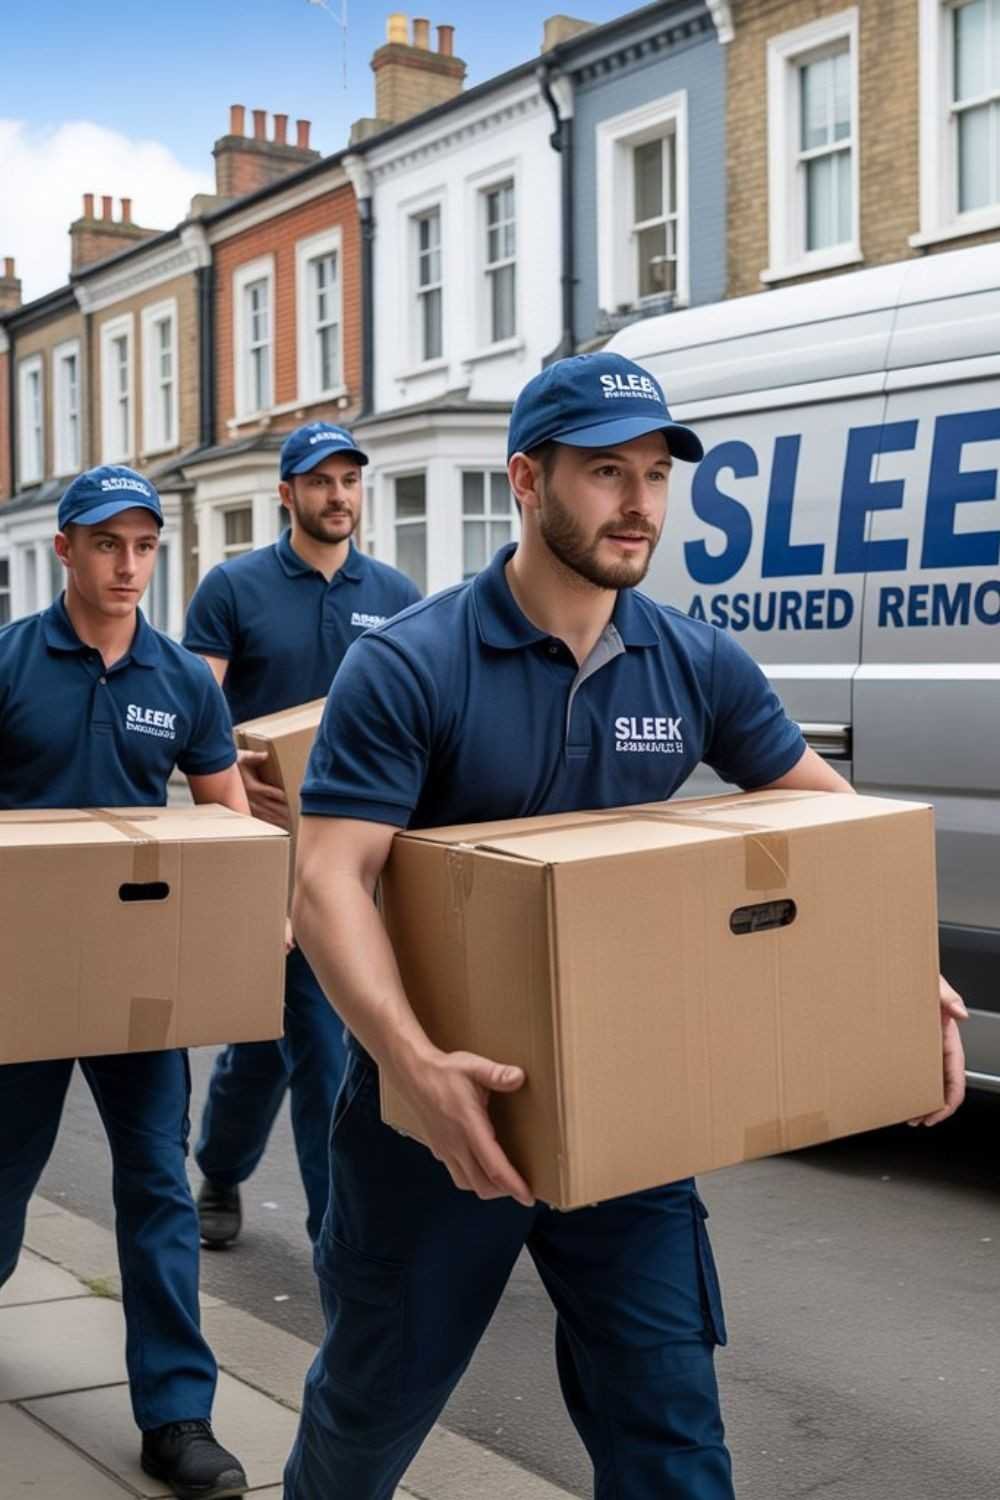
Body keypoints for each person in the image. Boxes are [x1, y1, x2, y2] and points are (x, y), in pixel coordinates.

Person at [282, 353, 967, 1500]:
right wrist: (413, 1066)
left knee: (671, 1436)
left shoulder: (691, 659)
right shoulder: (407, 664)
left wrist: (901, 974)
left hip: (629, 1100)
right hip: (437, 1112)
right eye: (605, 472)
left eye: (655, 473)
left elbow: (825, 822)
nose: (640, 502)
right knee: (368, 1417)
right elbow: (326, 884)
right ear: (526, 480)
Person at [0, 465, 254, 1500]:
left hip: (136, 977)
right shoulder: (9, 662)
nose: (129, 565)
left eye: (145, 546)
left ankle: (177, 1415)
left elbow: (229, 817)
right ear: (65, 550)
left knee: (156, 1187)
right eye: (108, 544)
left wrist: (260, 914)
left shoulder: (182, 679)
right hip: (19, 973)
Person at [183, 422, 420, 1248]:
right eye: (320, 481)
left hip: (367, 848)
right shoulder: (233, 588)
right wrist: (225, 768)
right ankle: (336, 1242)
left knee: (273, 1043)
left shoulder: (395, 594)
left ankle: (219, 1163)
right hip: (273, 856)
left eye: (349, 480)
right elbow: (194, 711)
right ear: (287, 494)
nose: (338, 496)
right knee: (319, 1044)